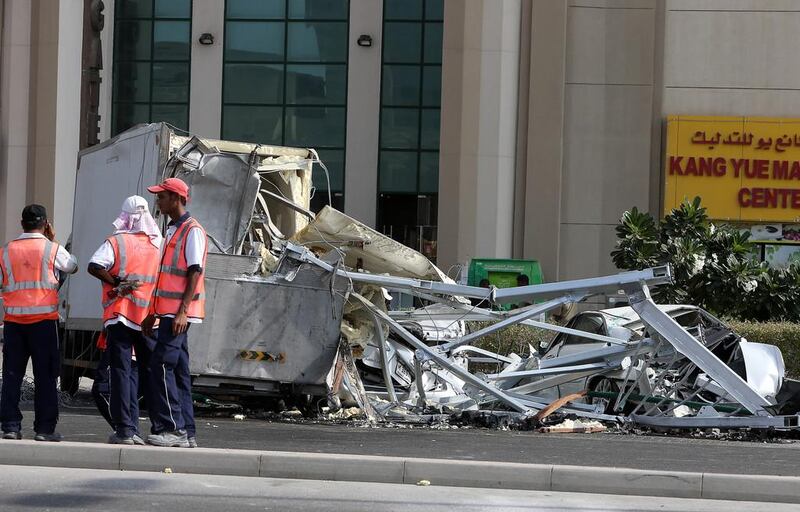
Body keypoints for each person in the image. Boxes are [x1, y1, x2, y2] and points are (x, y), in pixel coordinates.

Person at [0, 204, 77, 441]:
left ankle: (11, 426)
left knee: (12, 375)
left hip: (14, 322)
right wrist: (53, 241)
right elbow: (71, 266)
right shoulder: (52, 249)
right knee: (46, 376)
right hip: (44, 323)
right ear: (46, 224)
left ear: (22, 224)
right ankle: (44, 429)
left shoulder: (6, 251)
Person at [88, 196, 161, 445]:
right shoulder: (158, 244)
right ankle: (162, 428)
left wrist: (116, 282)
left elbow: (94, 265)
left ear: (126, 216)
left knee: (121, 373)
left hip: (121, 315)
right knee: (149, 373)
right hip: (149, 319)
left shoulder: (117, 241)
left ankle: (126, 430)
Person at [142, 178, 206, 448]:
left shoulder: (192, 231)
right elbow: (166, 278)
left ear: (177, 199)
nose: (158, 201)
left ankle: (173, 429)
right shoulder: (173, 230)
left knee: (161, 366)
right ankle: (187, 431)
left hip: (178, 315)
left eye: (162, 196)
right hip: (168, 313)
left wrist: (181, 312)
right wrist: (153, 312)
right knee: (178, 370)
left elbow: (194, 272)